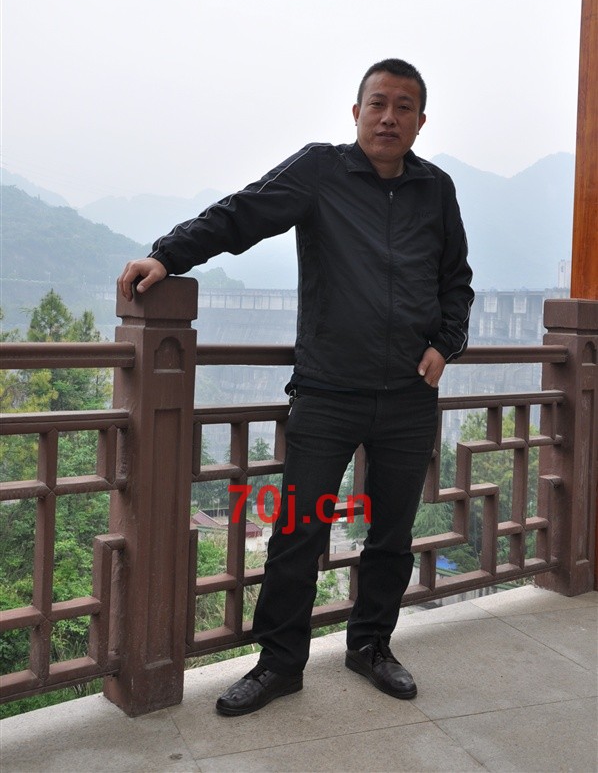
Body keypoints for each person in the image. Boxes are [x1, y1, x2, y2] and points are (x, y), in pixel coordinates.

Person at [118, 58, 474, 716]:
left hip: (408, 396)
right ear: (356, 112)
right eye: (377, 104)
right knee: (298, 533)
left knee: (391, 534)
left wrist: (444, 344)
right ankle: (280, 664)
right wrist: (167, 254)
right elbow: (242, 214)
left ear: (421, 121)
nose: (388, 117)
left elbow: (457, 281)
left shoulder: (436, 190)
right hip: (328, 391)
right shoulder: (320, 171)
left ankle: (371, 646)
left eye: (403, 107)